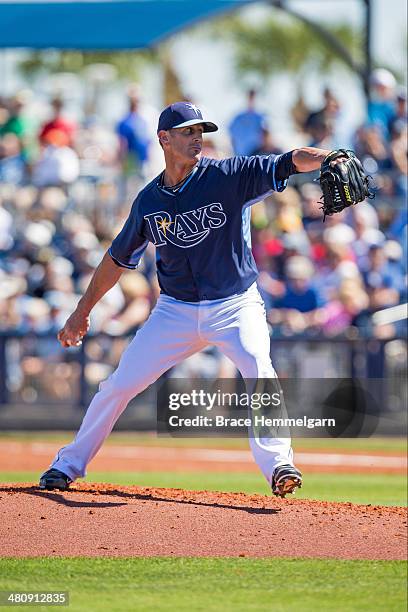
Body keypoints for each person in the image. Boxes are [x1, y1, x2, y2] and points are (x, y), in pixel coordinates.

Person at [39, 101, 338, 498]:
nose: (197, 138)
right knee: (117, 386)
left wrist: (330, 156)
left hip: (235, 304)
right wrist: (82, 311)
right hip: (175, 311)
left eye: (201, 132)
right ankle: (68, 463)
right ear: (164, 138)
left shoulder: (229, 174)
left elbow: (288, 161)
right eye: (188, 131)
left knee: (258, 367)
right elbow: (117, 259)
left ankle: (279, 463)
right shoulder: (149, 200)